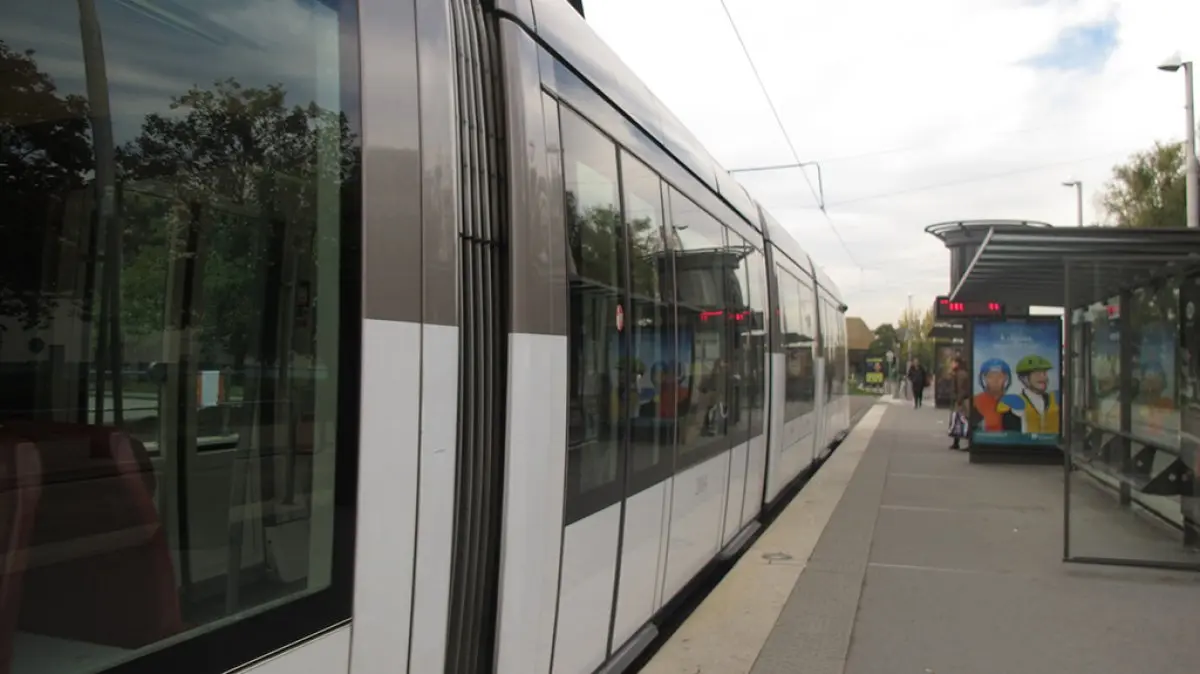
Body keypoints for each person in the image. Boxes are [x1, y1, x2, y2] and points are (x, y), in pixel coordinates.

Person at [950, 357, 971, 450]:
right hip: (962, 400)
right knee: (958, 421)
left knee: (962, 420)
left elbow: (961, 389)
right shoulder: (959, 374)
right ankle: (956, 442)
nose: (952, 365)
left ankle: (961, 442)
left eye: (953, 362)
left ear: (957, 364)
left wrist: (958, 400)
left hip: (962, 401)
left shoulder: (961, 375)